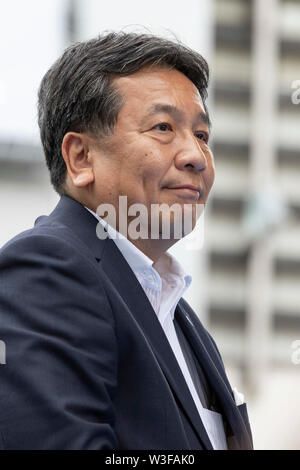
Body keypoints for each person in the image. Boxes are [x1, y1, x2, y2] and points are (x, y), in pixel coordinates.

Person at [0, 32, 253, 450]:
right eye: (163, 127)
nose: (195, 155)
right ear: (81, 158)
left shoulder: (181, 317)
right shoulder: (47, 270)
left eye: (203, 135)